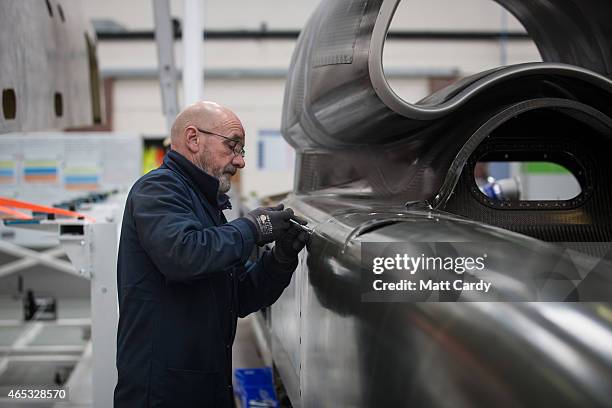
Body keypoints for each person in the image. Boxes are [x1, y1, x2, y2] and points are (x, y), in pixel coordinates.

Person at [113, 101, 309, 407]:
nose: (240, 161)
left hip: (204, 384)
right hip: (163, 391)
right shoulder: (158, 189)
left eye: (241, 151)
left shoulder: (206, 203)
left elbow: (239, 295)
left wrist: (280, 260)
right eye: (233, 147)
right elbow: (183, 255)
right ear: (193, 139)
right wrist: (252, 228)